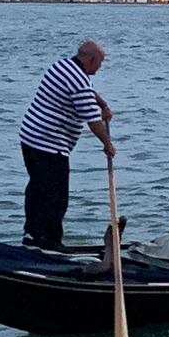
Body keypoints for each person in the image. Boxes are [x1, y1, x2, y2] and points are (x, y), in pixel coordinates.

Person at [19, 40, 115, 250]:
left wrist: (102, 104)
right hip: (48, 144)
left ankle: (32, 235)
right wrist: (108, 144)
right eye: (100, 63)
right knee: (56, 196)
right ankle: (50, 241)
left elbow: (88, 93)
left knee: (37, 188)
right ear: (91, 59)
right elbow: (93, 121)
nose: (100, 67)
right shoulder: (79, 81)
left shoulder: (62, 66)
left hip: (30, 137)